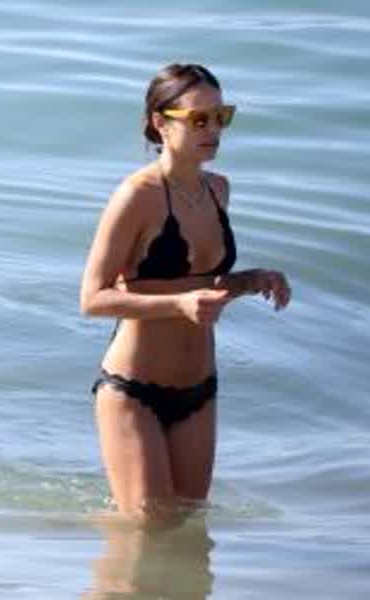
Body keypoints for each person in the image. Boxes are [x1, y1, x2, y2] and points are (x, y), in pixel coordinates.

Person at [80, 63, 291, 527]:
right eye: (199, 119)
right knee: (147, 532)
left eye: (221, 117)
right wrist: (177, 305)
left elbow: (202, 287)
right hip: (134, 389)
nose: (213, 130)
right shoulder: (137, 196)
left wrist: (251, 280)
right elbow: (92, 299)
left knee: (188, 532)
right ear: (161, 122)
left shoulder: (218, 190)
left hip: (199, 389)